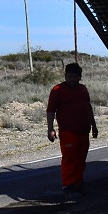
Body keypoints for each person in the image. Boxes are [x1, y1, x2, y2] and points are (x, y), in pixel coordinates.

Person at [46, 62, 98, 200]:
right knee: (69, 158)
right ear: (65, 76)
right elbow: (51, 110)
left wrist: (94, 125)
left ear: (80, 77)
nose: (72, 80)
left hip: (83, 130)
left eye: (75, 77)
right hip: (68, 131)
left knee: (81, 159)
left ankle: (78, 183)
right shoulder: (57, 90)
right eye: (69, 77)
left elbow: (88, 108)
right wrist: (50, 129)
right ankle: (68, 186)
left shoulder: (83, 89)